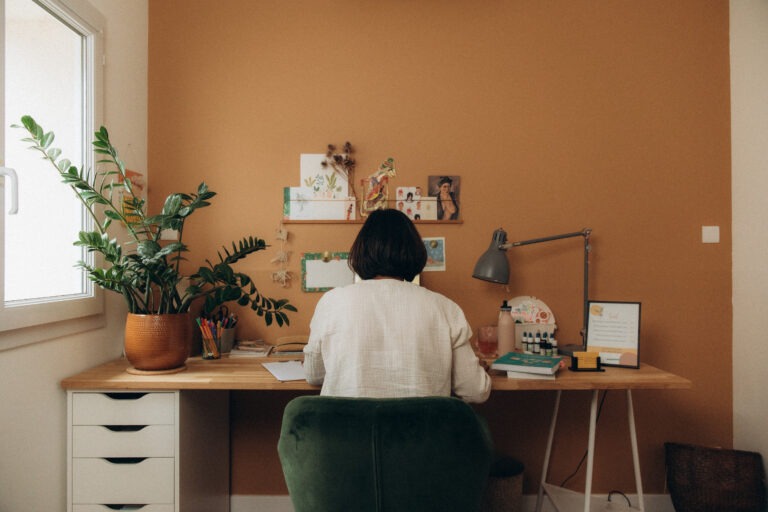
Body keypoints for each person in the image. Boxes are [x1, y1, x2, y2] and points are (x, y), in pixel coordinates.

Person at [304, 209, 491, 403]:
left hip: (349, 431)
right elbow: (474, 391)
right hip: (421, 432)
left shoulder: (331, 302)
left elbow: (313, 375)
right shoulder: (445, 308)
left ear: (361, 251)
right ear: (415, 251)